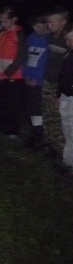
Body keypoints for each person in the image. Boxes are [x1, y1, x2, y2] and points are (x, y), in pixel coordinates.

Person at [0, 7, 27, 137]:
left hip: (14, 76)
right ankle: (1, 127)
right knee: (0, 102)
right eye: (1, 21)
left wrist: (7, 73)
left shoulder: (20, 34)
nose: (2, 24)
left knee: (13, 104)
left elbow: (20, 57)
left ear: (14, 19)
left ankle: (13, 130)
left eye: (6, 21)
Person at [42, 7, 70, 157]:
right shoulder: (51, 36)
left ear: (63, 22)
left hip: (60, 84)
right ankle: (50, 143)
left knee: (58, 115)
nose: (49, 25)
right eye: (48, 22)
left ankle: (60, 148)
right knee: (47, 113)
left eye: (53, 22)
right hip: (48, 80)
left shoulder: (68, 39)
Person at [24, 15, 49, 149]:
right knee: (32, 110)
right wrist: (26, 76)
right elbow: (25, 59)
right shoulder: (31, 38)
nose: (35, 28)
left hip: (41, 82)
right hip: (29, 80)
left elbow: (47, 64)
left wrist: (38, 79)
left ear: (46, 24)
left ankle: (42, 138)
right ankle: (36, 135)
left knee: (41, 110)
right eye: (34, 26)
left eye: (38, 25)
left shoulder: (50, 40)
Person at [56, 24, 73, 169]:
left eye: (69, 40)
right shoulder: (69, 54)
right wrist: (58, 94)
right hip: (65, 97)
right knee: (67, 130)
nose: (67, 43)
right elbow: (62, 76)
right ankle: (68, 162)